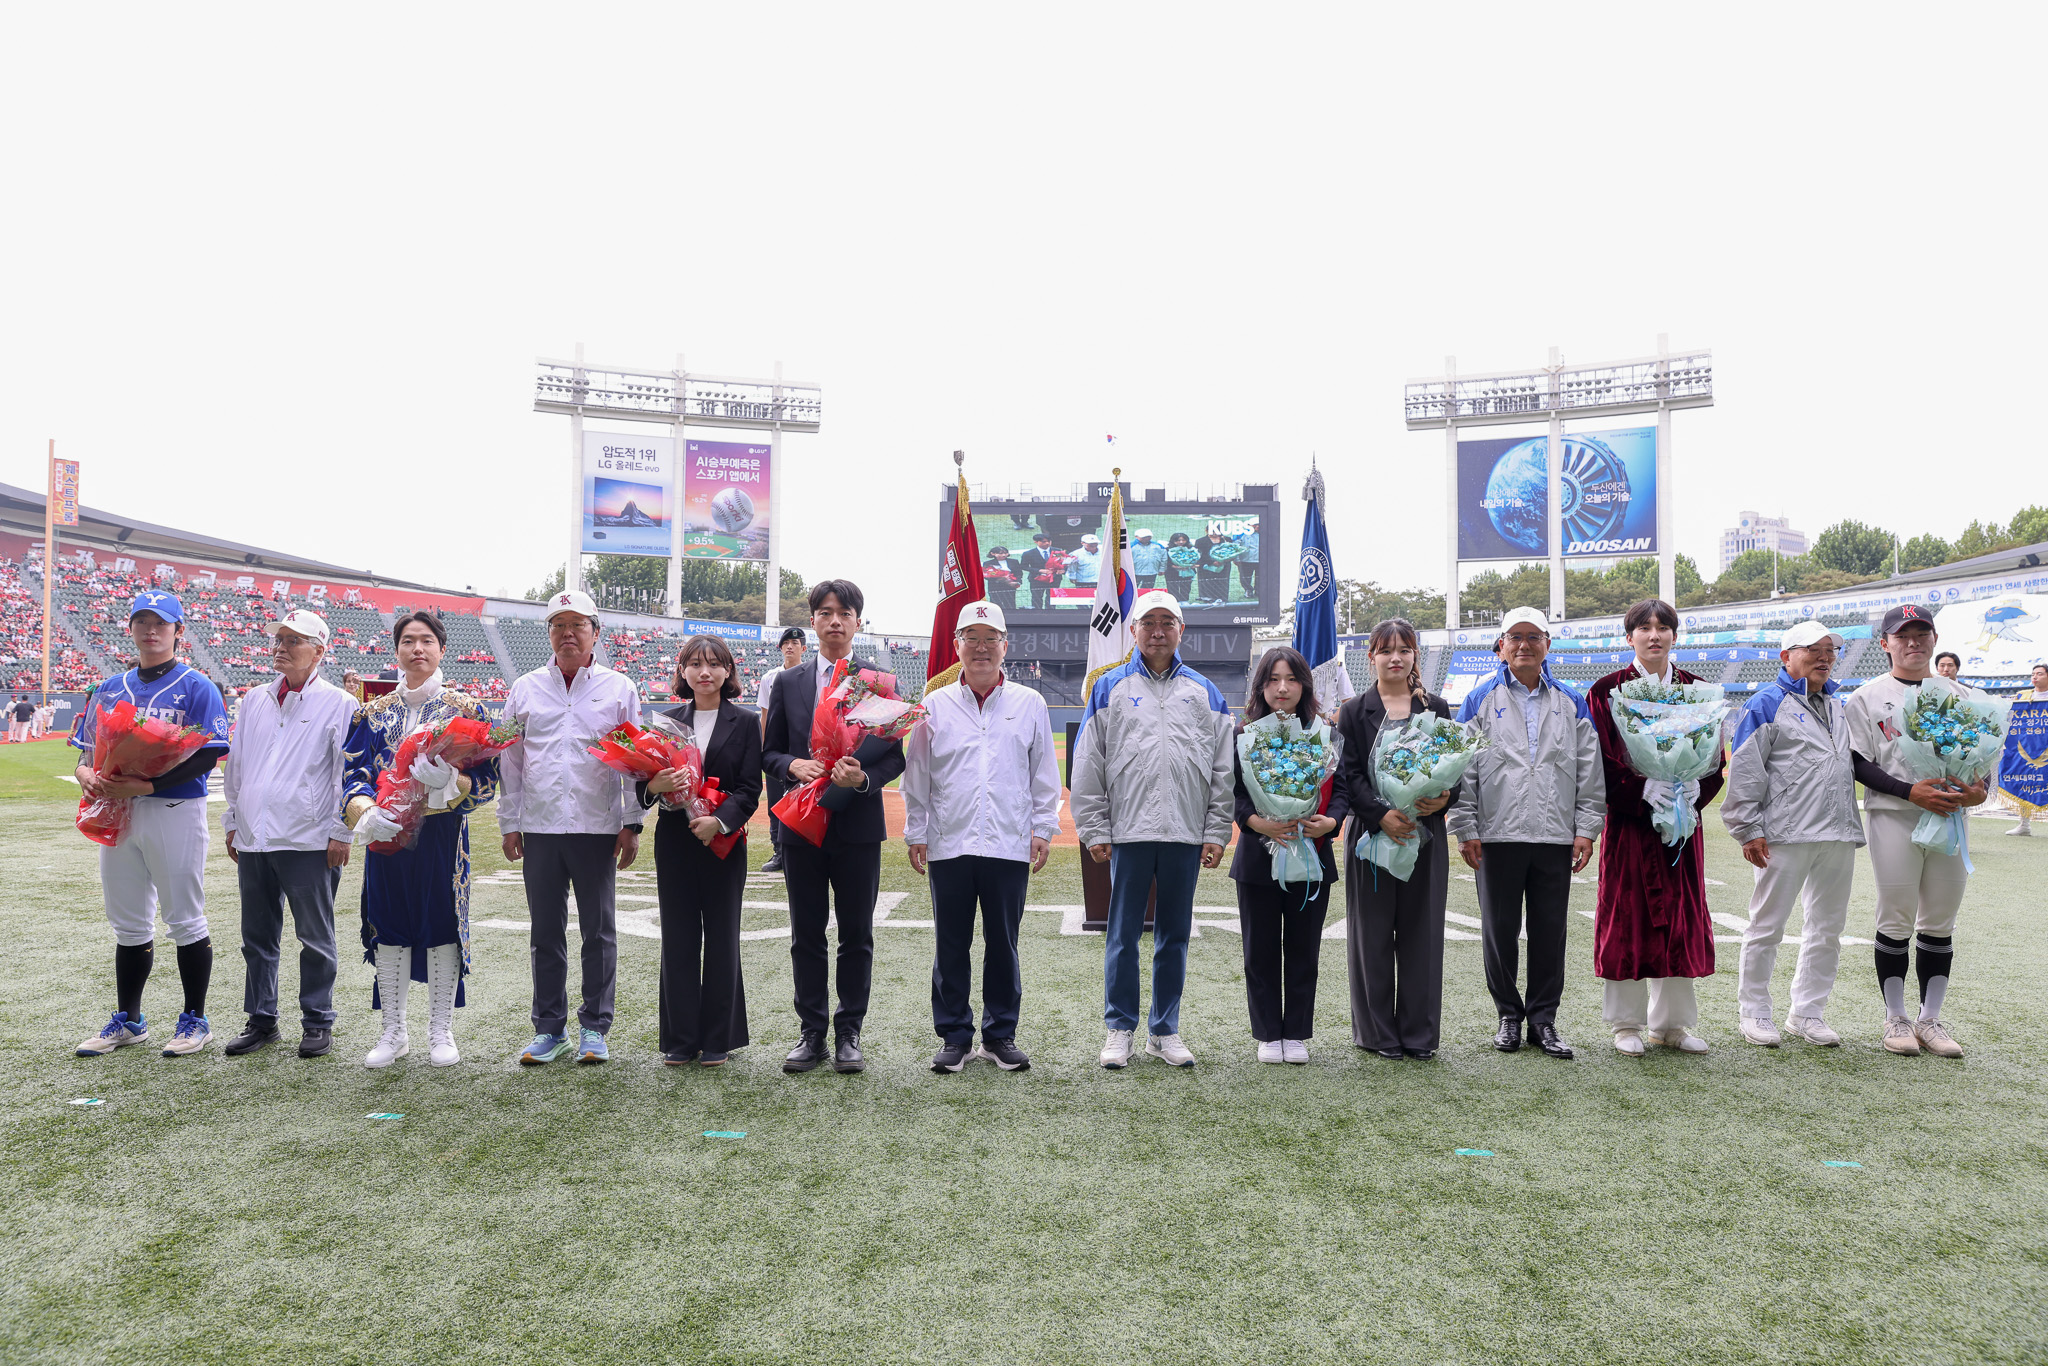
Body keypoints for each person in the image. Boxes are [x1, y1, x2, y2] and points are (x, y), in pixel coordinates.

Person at [1071, 590, 1234, 1069]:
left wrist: (1216, 830)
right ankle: (1119, 1027)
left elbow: (1222, 769)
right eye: (1149, 622)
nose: (1158, 630)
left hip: (1185, 831)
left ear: (1181, 630)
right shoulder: (1109, 688)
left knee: (1174, 936)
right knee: (1122, 935)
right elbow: (1088, 763)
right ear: (1133, 630)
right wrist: (1095, 827)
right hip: (1129, 831)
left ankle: (1164, 1030)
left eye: (1168, 622)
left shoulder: (1205, 691)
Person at [902, 602, 1061, 1073]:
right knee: (950, 943)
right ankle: (954, 1036)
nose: (982, 647)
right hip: (949, 841)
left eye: (991, 638)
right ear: (957, 647)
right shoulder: (934, 705)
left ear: (1004, 647)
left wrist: (1042, 830)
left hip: (1009, 843)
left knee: (1003, 943)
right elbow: (918, 775)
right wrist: (917, 831)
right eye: (971, 637)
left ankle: (999, 1035)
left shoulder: (1030, 704)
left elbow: (1044, 776)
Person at [72, 591, 231, 1058]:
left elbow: (210, 752)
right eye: (142, 621)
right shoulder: (109, 686)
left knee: (184, 916)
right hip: (120, 813)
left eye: (161, 623)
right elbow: (87, 751)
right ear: (132, 628)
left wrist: (146, 787)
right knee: (127, 922)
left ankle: (194, 1020)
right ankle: (130, 1020)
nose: (151, 630)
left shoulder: (198, 685)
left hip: (173, 811)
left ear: (179, 631)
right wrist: (86, 775)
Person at [346, 611, 502, 1068]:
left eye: (427, 641)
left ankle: (441, 1031)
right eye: (409, 640)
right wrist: (365, 812)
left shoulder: (467, 709)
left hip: (441, 835)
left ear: (442, 649)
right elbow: (352, 773)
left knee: (441, 925)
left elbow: (489, 779)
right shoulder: (371, 712)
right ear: (396, 650)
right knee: (388, 926)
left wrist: (453, 784)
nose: (418, 649)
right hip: (386, 836)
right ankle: (393, 1032)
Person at [762, 579, 905, 1074]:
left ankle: (850, 1033)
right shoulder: (788, 682)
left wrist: (864, 778)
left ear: (858, 622)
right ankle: (812, 1032)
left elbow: (894, 755)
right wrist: (789, 767)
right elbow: (769, 750)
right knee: (806, 932)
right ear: (813, 621)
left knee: (856, 933)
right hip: (802, 823)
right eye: (825, 612)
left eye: (845, 612)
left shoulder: (879, 682)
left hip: (858, 825)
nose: (835, 620)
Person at [1448, 607, 1602, 1060]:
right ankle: (1509, 1015)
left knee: (1550, 930)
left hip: (1555, 834)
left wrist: (1586, 829)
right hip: (1497, 834)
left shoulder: (1572, 701)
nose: (1524, 645)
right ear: (1501, 645)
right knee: (1499, 929)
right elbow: (1463, 770)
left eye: (1534, 637)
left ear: (1547, 645)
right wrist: (1465, 828)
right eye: (1515, 637)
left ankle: (1543, 1019)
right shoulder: (1478, 700)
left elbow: (1588, 772)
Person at [499, 590, 644, 1066]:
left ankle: (595, 1027)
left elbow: (631, 760)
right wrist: (510, 822)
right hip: (539, 827)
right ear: (549, 634)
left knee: (598, 932)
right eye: (558, 625)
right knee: (546, 932)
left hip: (596, 826)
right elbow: (512, 762)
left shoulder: (619, 688)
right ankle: (549, 1028)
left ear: (595, 633)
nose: (567, 633)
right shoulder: (524, 689)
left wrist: (631, 823)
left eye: (577, 625)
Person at [1844, 605, 1990, 1057]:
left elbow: (1981, 758)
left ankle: (1930, 1019)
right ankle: (1896, 1018)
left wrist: (1977, 790)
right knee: (1896, 916)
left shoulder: (1961, 693)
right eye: (1902, 635)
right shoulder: (1866, 697)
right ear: (1885, 643)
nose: (1913, 642)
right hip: (1895, 814)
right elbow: (1857, 762)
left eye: (1921, 633)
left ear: (1933, 637)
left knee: (1941, 920)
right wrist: (1910, 792)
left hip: (1949, 817)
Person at [1586, 598, 1723, 1056]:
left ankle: (1674, 1025)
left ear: (1675, 636)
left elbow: (1713, 762)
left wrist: (1692, 793)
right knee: (1627, 915)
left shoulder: (1697, 690)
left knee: (1681, 916)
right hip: (1630, 825)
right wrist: (1640, 789)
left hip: (1682, 826)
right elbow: (1600, 759)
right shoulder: (1607, 689)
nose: (1654, 635)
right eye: (1644, 627)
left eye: (1663, 627)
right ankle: (1626, 1023)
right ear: (1629, 637)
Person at [219, 610, 356, 1060]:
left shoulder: (340, 703)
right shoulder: (255, 698)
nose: (280, 646)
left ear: (319, 651)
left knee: (315, 936)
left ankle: (318, 1020)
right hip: (256, 836)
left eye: (293, 640)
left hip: (309, 838)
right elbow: (237, 764)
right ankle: (262, 1019)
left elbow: (345, 774)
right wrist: (233, 821)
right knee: (257, 936)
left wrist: (341, 831)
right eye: (278, 639)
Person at [1722, 621, 1863, 1049]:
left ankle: (1808, 1012)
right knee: (1767, 926)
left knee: (1827, 929)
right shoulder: (1766, 703)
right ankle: (1755, 1011)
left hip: (1837, 832)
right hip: (1784, 834)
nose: (1825, 657)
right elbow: (1746, 769)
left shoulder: (1838, 704)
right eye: (1813, 649)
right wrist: (1747, 829)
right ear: (1786, 656)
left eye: (1830, 650)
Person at [1336, 618, 1457, 1059]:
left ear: (1414, 657)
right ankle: (1377, 1033)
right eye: (1386, 650)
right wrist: (1380, 814)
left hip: (1424, 838)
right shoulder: (1352, 712)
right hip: (1371, 838)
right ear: (1371, 658)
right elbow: (1347, 777)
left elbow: (1453, 770)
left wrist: (1442, 798)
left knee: (1422, 934)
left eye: (1404, 649)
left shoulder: (1437, 709)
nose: (1395, 658)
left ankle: (1419, 1035)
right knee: (1370, 935)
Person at [641, 635, 761, 1066]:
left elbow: (751, 788)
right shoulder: (665, 720)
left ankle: (718, 1038)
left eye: (714, 664)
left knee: (723, 936)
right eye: (695, 664)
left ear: (728, 671)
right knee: (678, 936)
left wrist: (720, 821)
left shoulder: (746, 722)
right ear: (683, 672)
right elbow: (645, 779)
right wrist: (652, 787)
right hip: (674, 840)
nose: (704, 672)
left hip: (723, 841)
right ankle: (680, 1037)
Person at [1230, 646, 1347, 1064]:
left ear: (1304, 685)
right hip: (1258, 859)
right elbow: (1234, 793)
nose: (1283, 688)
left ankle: (1295, 1032)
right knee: (1259, 950)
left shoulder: (1325, 734)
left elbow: (1343, 789)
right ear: (1261, 686)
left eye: (1292, 679)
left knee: (1303, 948)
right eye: (1274, 679)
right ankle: (1267, 1033)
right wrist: (1256, 822)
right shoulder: (1243, 734)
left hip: (1311, 856)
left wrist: (1331, 822)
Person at [755, 627, 808, 874]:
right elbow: (765, 716)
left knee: (803, 798)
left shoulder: (810, 675)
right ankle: (779, 851)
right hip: (777, 751)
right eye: (786, 642)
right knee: (776, 801)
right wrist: (765, 751)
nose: (790, 646)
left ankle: (802, 848)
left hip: (802, 750)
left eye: (795, 642)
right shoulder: (770, 678)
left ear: (803, 648)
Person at [2002, 661, 2046, 835]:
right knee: (2024, 781)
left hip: (2045, 746)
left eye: (2040, 673)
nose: (2035, 677)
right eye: (2033, 673)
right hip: (2026, 747)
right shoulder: (2022, 696)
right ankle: (2024, 825)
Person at [1020, 533, 1062, 611]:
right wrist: (1039, 570)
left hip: (1054, 579)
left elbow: (1064, 563)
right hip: (1036, 579)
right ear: (1036, 542)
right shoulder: (1028, 553)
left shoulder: (1058, 551)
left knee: (1052, 598)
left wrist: (1062, 570)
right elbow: (1023, 566)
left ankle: (1051, 613)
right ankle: (1037, 614)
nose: (1047, 543)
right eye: (1043, 541)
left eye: (1048, 541)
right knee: (1036, 598)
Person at [1194, 529, 1233, 604]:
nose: (1214, 533)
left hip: (1224, 565)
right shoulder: (1200, 541)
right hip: (1206, 565)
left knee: (1222, 581)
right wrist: (1211, 562)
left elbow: (1231, 551)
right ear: (1206, 530)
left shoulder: (1226, 539)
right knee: (1207, 581)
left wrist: (1223, 560)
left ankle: (1222, 598)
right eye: (1212, 531)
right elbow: (1199, 555)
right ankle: (1207, 598)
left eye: (1216, 531)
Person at [981, 546, 1023, 611]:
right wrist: (1000, 579)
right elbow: (987, 576)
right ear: (993, 553)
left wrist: (1016, 582)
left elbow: (1019, 573)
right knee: (996, 605)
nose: (1004, 555)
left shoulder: (1014, 561)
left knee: (1010, 604)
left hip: (1010, 586)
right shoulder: (988, 563)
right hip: (995, 587)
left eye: (1005, 553)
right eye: (1000, 553)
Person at [1163, 532, 1197, 604]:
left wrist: (1190, 565)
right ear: (1173, 541)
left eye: (1183, 540)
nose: (1181, 542)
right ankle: (1174, 601)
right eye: (1178, 540)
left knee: (1186, 586)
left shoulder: (1191, 549)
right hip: (1172, 572)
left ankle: (1184, 600)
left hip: (1187, 571)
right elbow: (1165, 562)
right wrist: (1176, 567)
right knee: (1172, 586)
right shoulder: (1167, 550)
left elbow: (1195, 560)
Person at [1235, 521, 1261, 598]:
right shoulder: (1242, 534)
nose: (1257, 527)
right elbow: (1236, 546)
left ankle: (1258, 591)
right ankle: (1248, 590)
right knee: (1245, 577)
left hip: (1260, 560)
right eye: (1255, 525)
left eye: (1259, 525)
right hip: (1245, 560)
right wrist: (1237, 558)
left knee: (1260, 577)